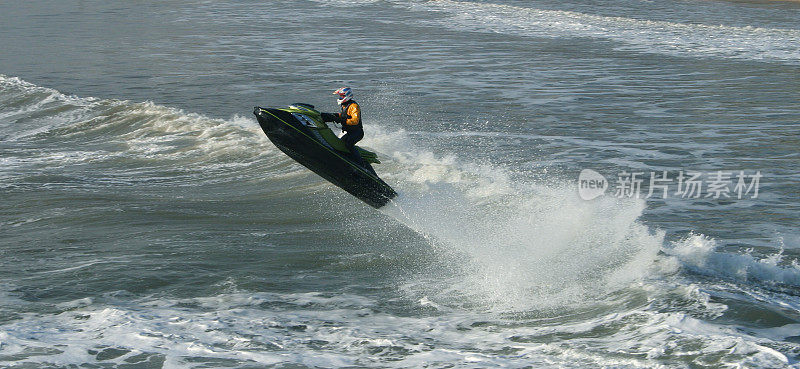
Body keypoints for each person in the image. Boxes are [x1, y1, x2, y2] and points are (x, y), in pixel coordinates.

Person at [321, 87, 364, 155]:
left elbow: (355, 121)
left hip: (357, 133)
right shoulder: (345, 105)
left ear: (347, 95)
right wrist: (333, 116)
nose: (340, 97)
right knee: (340, 145)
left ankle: (360, 163)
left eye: (342, 96)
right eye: (340, 96)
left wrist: (341, 120)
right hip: (350, 132)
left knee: (348, 145)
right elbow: (344, 115)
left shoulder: (354, 106)